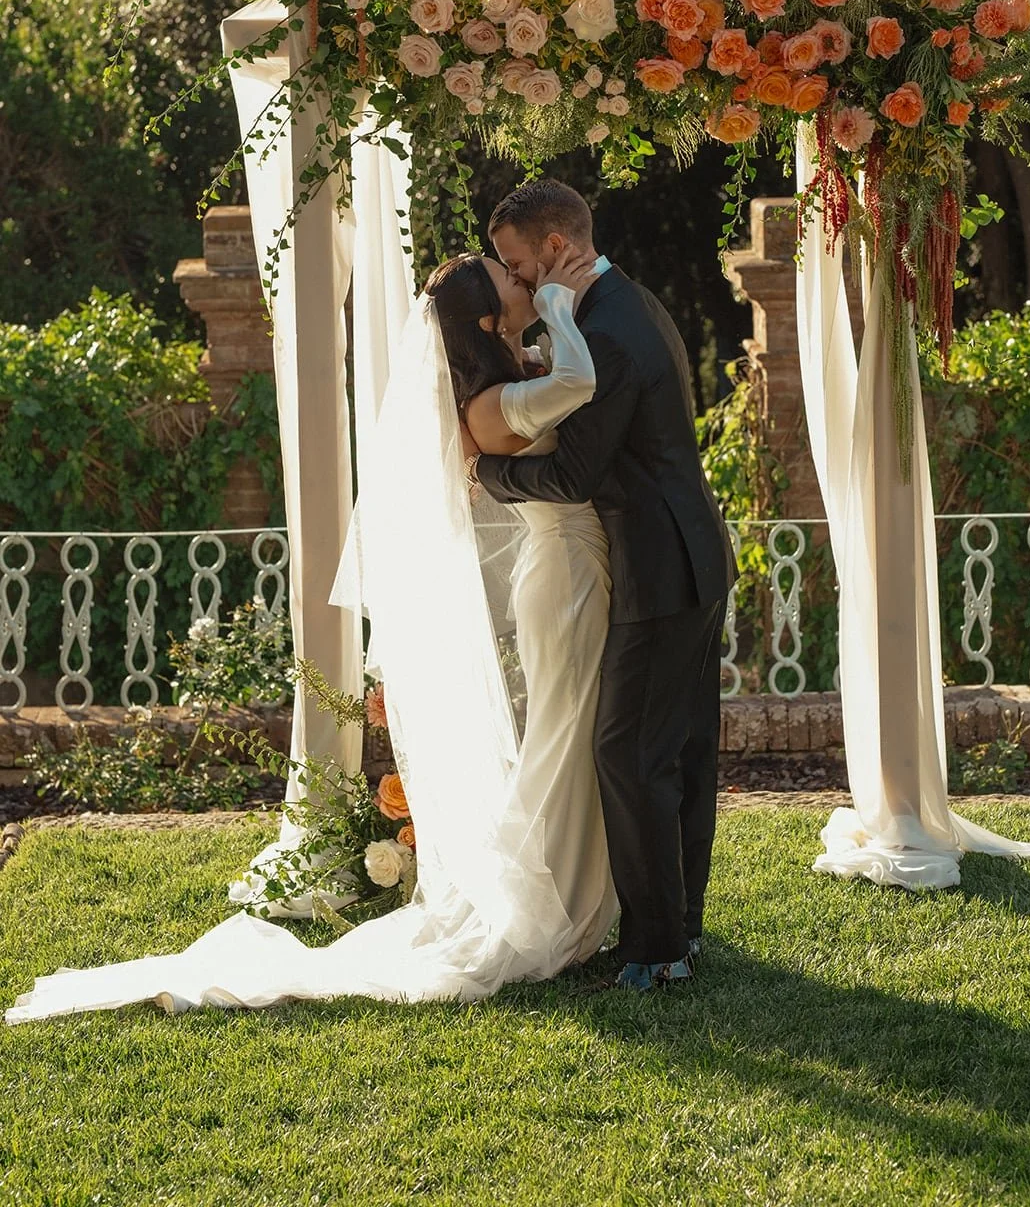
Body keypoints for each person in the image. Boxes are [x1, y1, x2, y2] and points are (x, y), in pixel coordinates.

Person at [6, 241, 617, 1020]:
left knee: (563, 742)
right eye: (511, 278)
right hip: (558, 580)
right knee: (562, 741)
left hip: (564, 572)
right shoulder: (489, 408)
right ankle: (549, 915)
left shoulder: (500, 383)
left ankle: (566, 903)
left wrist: (543, 321)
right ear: (488, 316)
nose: (526, 279)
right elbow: (580, 383)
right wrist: (564, 307)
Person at [476, 178, 736, 991]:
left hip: (658, 564)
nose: (513, 279)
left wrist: (485, 473)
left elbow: (578, 472)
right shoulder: (621, 304)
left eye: (516, 264)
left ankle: (657, 948)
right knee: (677, 751)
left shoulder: (609, 332)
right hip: (685, 554)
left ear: (555, 249)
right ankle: (678, 930)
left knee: (629, 753)